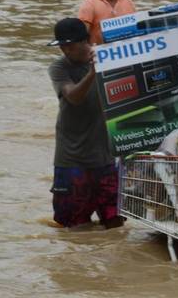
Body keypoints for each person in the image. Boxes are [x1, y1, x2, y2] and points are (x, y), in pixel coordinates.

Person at [47, 17, 124, 229]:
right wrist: (93, 73)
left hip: (105, 158)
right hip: (72, 161)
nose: (65, 50)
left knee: (116, 223)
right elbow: (73, 97)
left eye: (69, 45)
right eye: (62, 46)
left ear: (86, 41)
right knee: (74, 228)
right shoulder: (59, 68)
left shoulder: (110, 59)